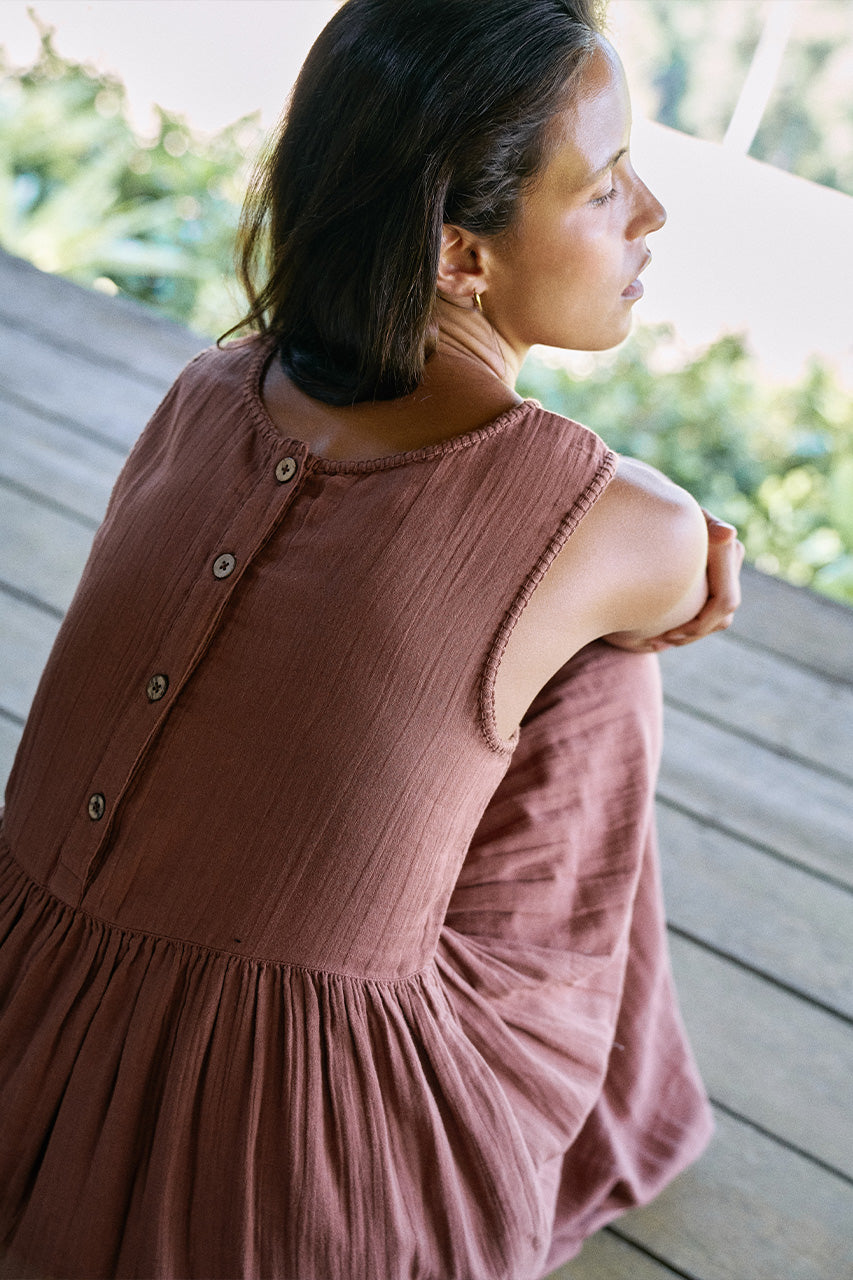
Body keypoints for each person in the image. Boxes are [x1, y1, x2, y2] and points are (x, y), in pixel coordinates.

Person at [0, 1, 744, 1277]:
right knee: (598, 671)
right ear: (462, 254)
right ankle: (615, 1120)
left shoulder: (208, 393)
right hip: (282, 1161)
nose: (651, 215)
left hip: (29, 1013)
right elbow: (680, 573)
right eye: (608, 183)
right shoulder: (604, 517)